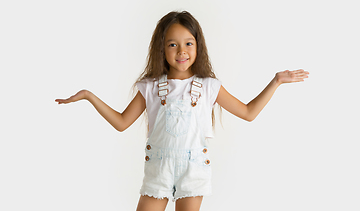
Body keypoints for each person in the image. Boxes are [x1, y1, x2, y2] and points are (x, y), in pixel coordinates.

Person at [55, 11, 309, 211]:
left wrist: (275, 82)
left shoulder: (209, 86)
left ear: (198, 46)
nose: (182, 51)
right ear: (162, 49)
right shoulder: (151, 87)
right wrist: (89, 96)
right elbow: (121, 123)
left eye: (188, 43)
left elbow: (248, 112)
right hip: (159, 168)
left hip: (193, 169)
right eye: (173, 45)